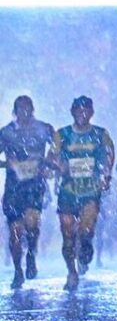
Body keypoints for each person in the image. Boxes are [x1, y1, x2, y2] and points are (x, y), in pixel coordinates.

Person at [50, 96, 114, 291]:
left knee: (86, 230)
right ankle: (71, 272)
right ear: (72, 112)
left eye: (86, 111)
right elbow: (52, 155)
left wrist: (105, 174)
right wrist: (57, 165)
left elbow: (109, 154)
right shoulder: (62, 134)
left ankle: (86, 246)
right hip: (68, 190)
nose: (82, 115)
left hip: (90, 190)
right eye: (78, 111)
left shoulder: (100, 134)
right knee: (67, 233)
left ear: (92, 113)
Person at [0, 96, 54, 290]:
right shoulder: (6, 133)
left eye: (27, 108)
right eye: (20, 109)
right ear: (15, 111)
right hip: (14, 188)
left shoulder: (43, 129)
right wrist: (11, 164)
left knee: (31, 222)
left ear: (32, 109)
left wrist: (48, 164)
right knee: (15, 231)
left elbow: (57, 148)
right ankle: (17, 270)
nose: (24, 113)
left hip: (34, 186)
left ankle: (31, 252)